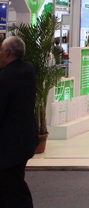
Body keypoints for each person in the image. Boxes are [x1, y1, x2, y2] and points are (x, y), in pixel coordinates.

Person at [0, 36, 37, 208]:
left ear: (7, 52)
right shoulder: (28, 69)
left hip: (9, 145)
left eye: (1, 50)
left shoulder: (5, 77)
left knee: (13, 186)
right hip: (25, 139)